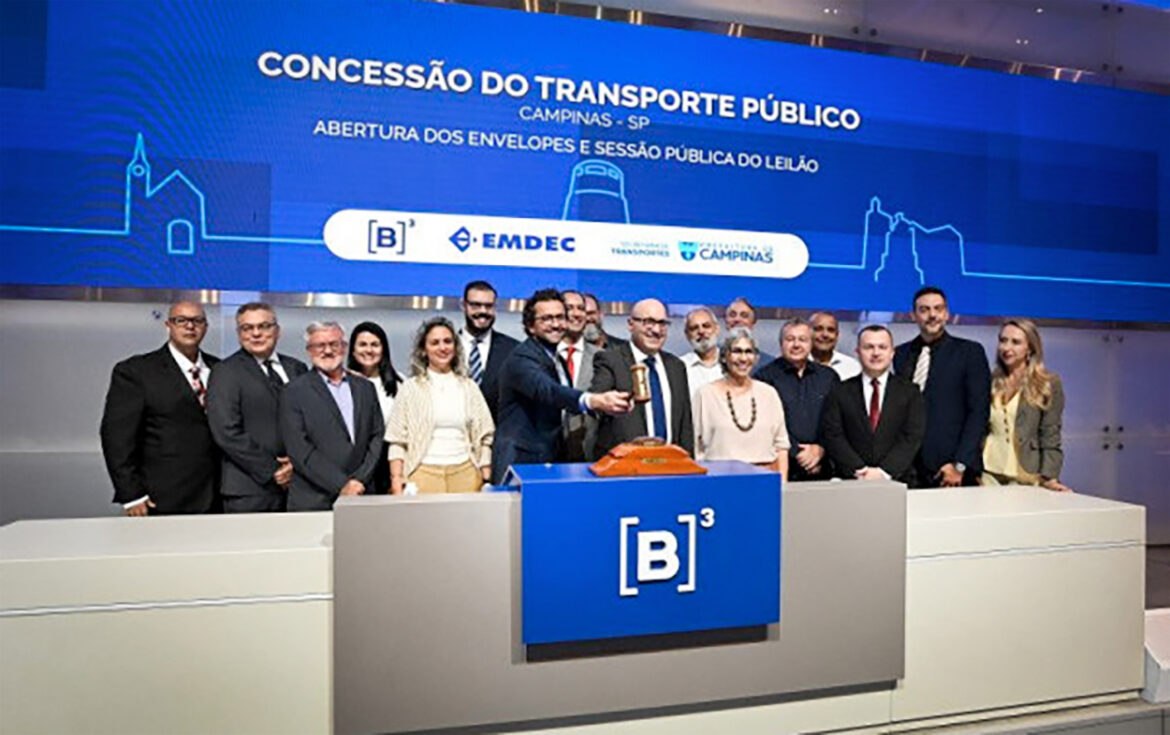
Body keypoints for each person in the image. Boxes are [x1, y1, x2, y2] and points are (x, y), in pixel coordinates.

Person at [493, 289, 631, 483]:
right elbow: (548, 390)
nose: (556, 324)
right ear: (531, 326)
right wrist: (593, 400)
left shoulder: (555, 358)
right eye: (547, 319)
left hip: (550, 460)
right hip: (520, 463)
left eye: (560, 317)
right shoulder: (522, 358)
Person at [99, 301, 221, 515]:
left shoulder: (221, 368)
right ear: (168, 325)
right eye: (181, 320)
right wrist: (131, 494)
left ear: (206, 327)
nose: (190, 326)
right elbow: (116, 437)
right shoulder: (137, 371)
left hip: (218, 494)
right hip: (162, 496)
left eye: (197, 321)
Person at [207, 302, 308, 512]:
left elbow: (311, 423)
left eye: (264, 326)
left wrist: (298, 464)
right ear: (239, 334)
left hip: (300, 485)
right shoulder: (225, 371)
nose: (256, 333)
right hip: (250, 489)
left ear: (277, 330)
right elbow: (226, 432)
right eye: (247, 328)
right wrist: (274, 470)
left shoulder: (297, 368)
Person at [893, 286, 991, 487]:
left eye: (938, 309)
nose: (932, 315)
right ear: (913, 315)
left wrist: (960, 464)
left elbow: (979, 412)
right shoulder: (900, 354)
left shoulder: (969, 352)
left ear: (946, 314)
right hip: (909, 469)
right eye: (924, 310)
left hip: (951, 471)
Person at [280, 322, 384, 510]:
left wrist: (359, 480)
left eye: (334, 344)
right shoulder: (293, 391)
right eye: (320, 345)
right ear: (309, 350)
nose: (327, 351)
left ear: (344, 347)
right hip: (315, 498)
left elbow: (376, 436)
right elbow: (299, 449)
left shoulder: (365, 388)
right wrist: (342, 484)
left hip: (362, 493)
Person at [385, 316, 494, 494]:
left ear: (455, 347)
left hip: (466, 474)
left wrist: (485, 475)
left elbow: (485, 437)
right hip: (422, 475)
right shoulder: (410, 388)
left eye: (448, 341)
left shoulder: (469, 387)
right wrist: (396, 479)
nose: (443, 348)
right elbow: (397, 441)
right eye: (435, 343)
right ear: (423, 350)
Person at [591, 298, 694, 459]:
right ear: (631, 324)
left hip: (670, 463)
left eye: (662, 323)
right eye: (648, 322)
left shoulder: (676, 366)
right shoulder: (610, 360)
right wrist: (609, 402)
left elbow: (685, 424)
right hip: (625, 464)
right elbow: (597, 401)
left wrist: (687, 461)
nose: (656, 330)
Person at [822, 325, 926, 485]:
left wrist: (884, 472)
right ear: (858, 352)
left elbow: (912, 436)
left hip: (898, 482)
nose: (876, 353)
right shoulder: (839, 391)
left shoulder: (910, 392)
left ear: (892, 353)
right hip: (851, 481)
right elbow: (834, 435)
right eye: (869, 347)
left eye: (882, 347)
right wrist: (860, 470)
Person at [982, 319, 1072, 492]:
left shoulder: (1047, 383)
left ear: (1030, 348)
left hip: (1026, 476)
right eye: (1003, 340)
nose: (1006, 347)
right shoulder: (990, 381)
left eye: (1015, 342)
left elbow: (1050, 434)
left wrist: (1050, 477)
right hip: (988, 474)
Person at [692, 328, 790, 478]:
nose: (743, 358)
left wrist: (782, 484)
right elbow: (694, 447)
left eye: (749, 352)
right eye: (737, 351)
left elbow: (781, 446)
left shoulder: (769, 394)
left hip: (764, 480)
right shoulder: (705, 395)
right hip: (719, 480)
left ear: (756, 358)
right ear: (724, 356)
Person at [756, 318, 840, 480]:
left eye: (802, 339)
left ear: (811, 343)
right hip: (781, 467)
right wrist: (799, 453)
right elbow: (764, 424)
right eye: (790, 339)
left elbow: (836, 421)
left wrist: (820, 449)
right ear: (781, 344)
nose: (796, 345)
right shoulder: (764, 377)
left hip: (823, 466)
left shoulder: (828, 377)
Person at [346, 321, 402, 494]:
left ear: (383, 349)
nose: (369, 350)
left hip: (388, 462)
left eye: (375, 345)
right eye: (362, 344)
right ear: (353, 350)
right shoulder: (341, 383)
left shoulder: (400, 383)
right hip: (354, 463)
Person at [459, 280, 518, 424]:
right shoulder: (444, 348)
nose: (483, 311)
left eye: (488, 306)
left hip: (498, 434)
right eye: (475, 305)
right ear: (463, 305)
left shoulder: (513, 350)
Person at [559, 290, 600, 461]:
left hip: (588, 453)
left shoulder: (602, 357)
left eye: (581, 308)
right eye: (569, 308)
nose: (576, 314)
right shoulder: (541, 355)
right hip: (546, 452)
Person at [681, 307, 723, 394]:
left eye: (706, 326)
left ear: (717, 329)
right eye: (694, 328)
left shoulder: (732, 362)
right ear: (687, 335)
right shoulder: (680, 366)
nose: (701, 331)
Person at [724, 297, 775, 366]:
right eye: (732, 315)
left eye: (744, 315)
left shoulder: (768, 363)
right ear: (726, 321)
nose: (737, 319)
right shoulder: (712, 357)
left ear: (753, 323)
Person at [810, 311, 861, 380]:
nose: (825, 334)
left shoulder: (853, 367)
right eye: (819, 329)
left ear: (837, 336)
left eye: (830, 330)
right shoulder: (798, 363)